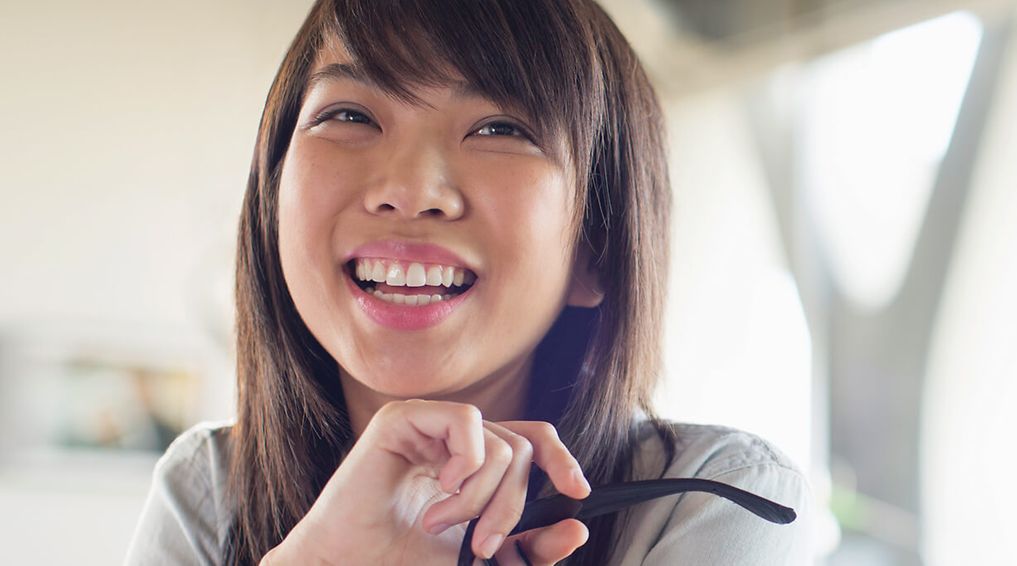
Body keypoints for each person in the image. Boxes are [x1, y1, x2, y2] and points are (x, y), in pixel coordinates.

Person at [124, 1, 812, 564]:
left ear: (596, 251)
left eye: (500, 127)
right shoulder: (209, 489)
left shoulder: (709, 502)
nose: (408, 189)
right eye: (350, 115)